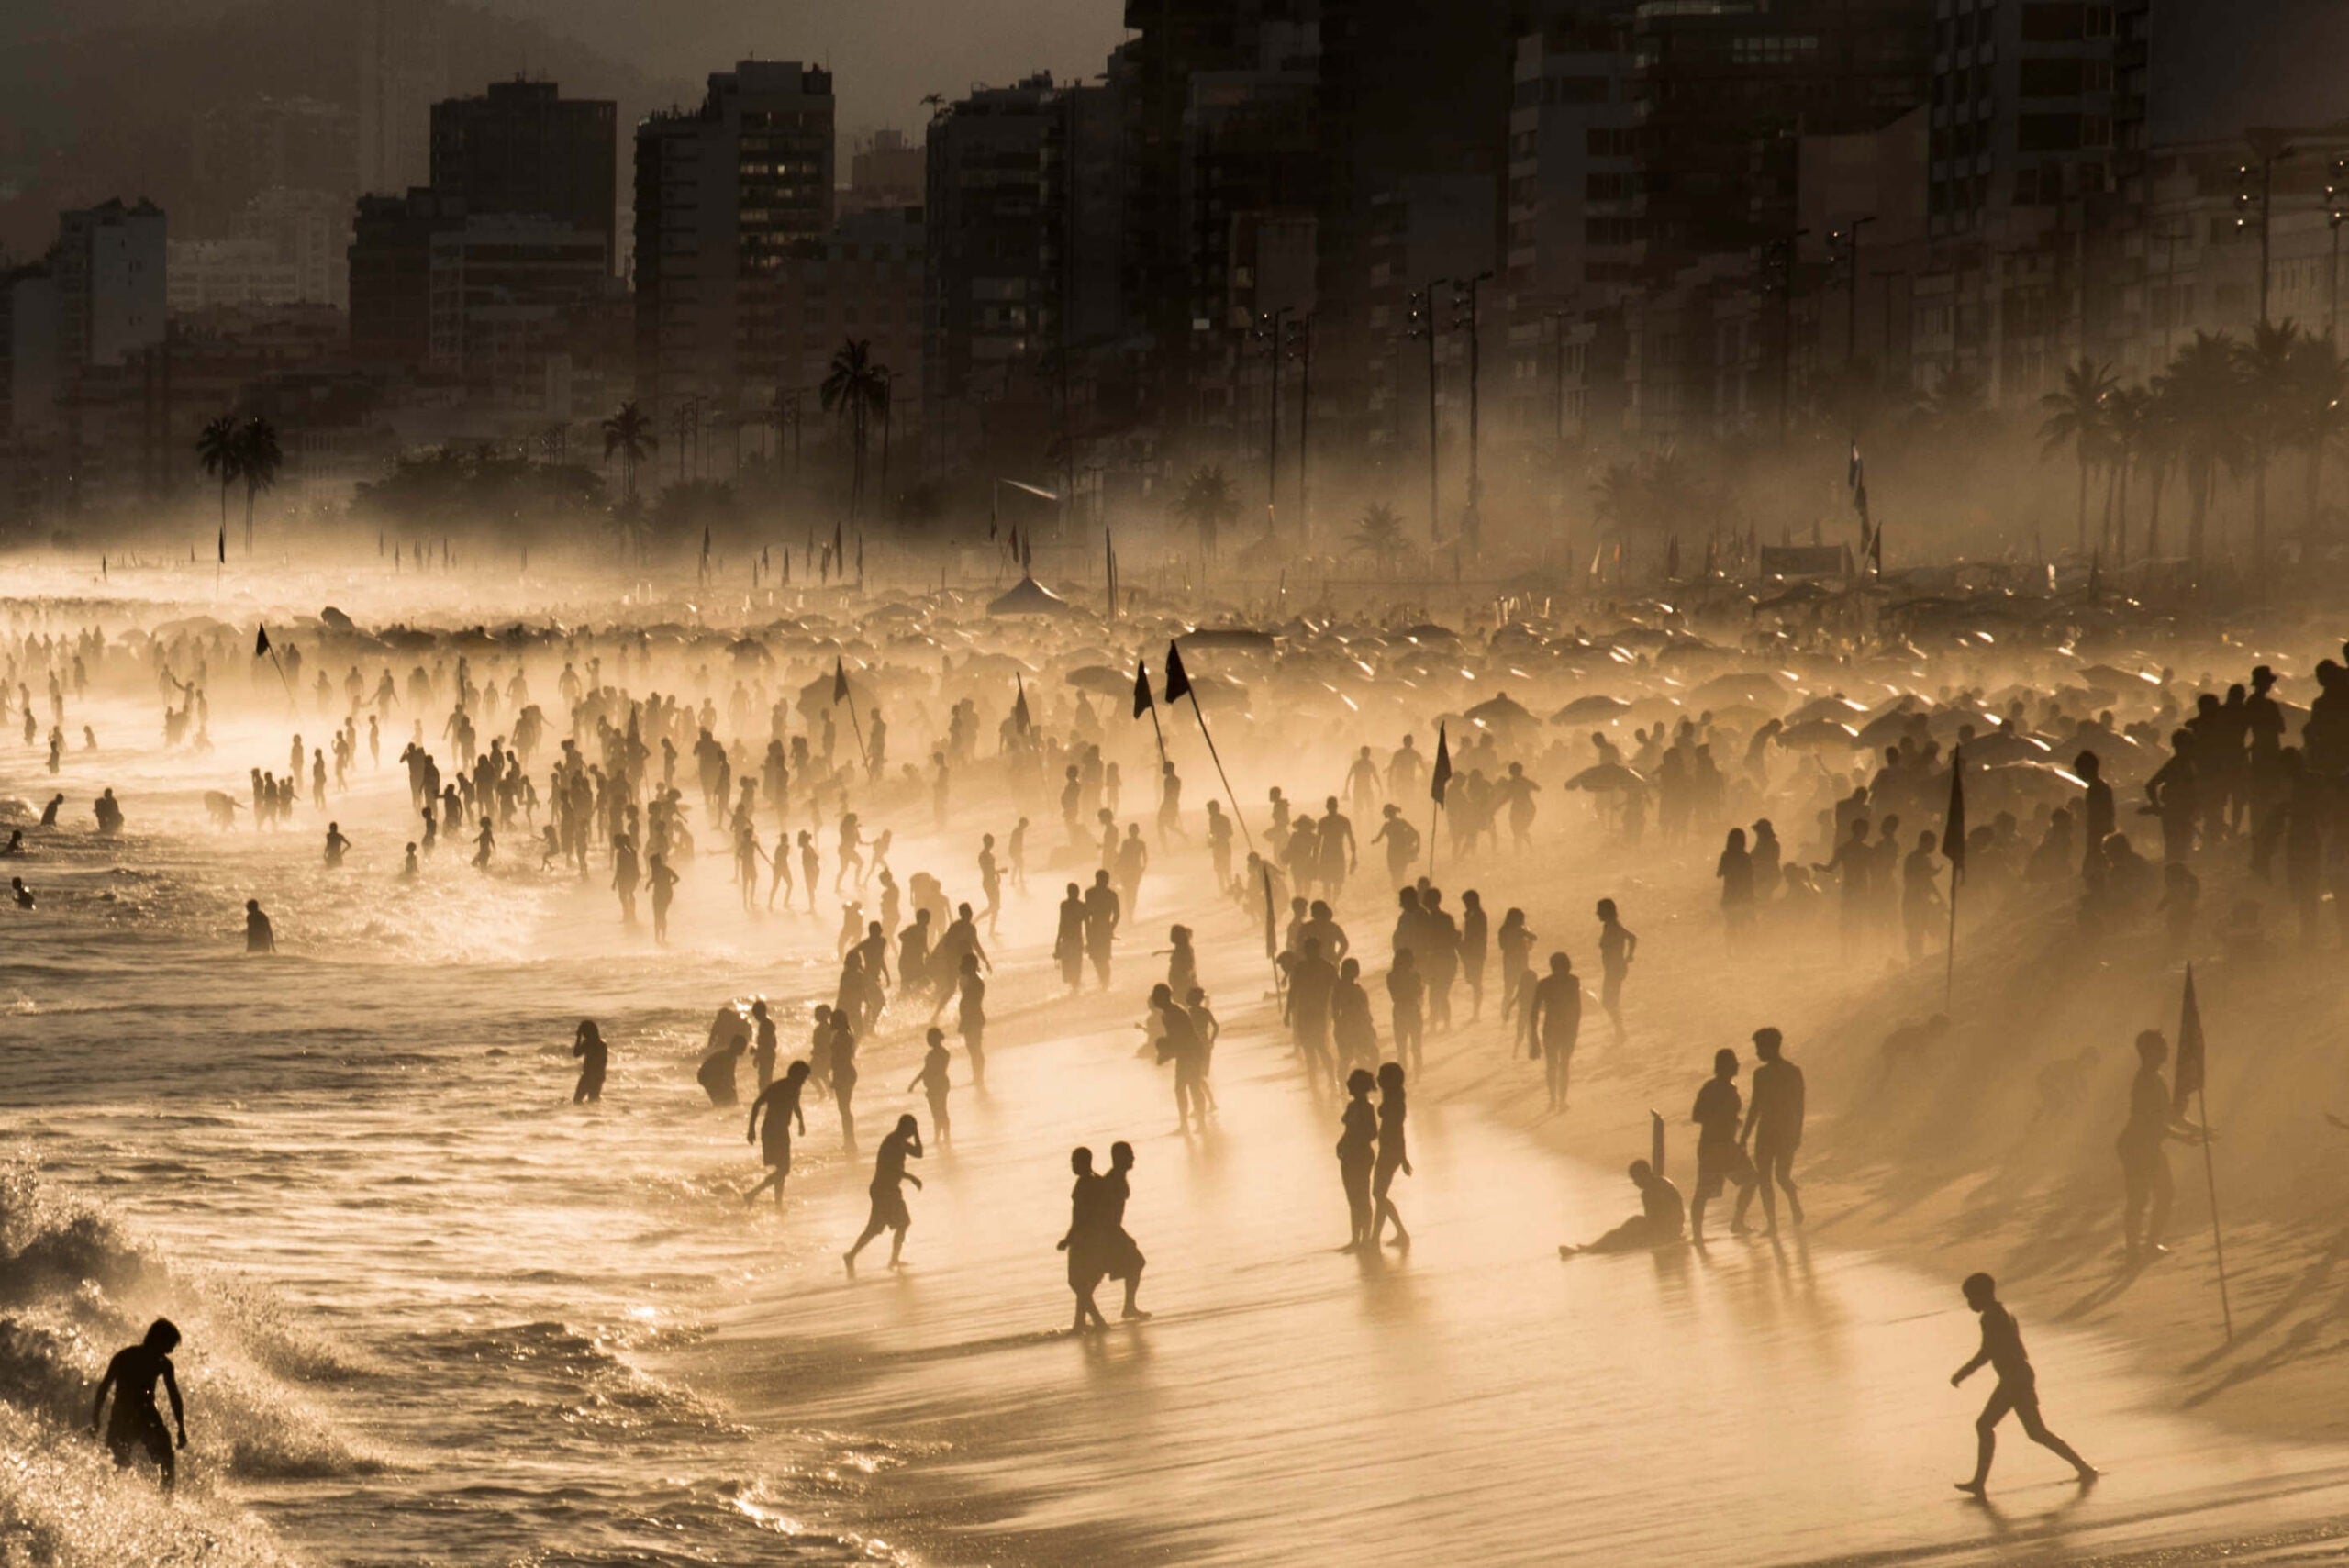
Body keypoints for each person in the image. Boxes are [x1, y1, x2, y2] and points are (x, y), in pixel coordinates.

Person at [1951, 1272, 2097, 1494]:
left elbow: (1987, 1352)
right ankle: (2084, 1467)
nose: (1969, 1302)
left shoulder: (1991, 1317)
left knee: (1984, 1425)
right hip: (2020, 1374)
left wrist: (1963, 1373)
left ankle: (1979, 1483)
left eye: (1970, 1297)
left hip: (2014, 1378)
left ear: (1981, 1295)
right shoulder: (2003, 1312)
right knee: (2036, 1432)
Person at [2118, 1028, 2202, 1262]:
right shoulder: (2146, 1080)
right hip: (2136, 1146)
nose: (2167, 1050)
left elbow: (2170, 1116)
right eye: (2162, 1046)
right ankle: (2134, 1250)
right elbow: (2153, 1122)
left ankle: (2149, 1245)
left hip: (2147, 1145)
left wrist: (2199, 1130)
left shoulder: (2156, 1077)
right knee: (2140, 1198)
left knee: (2164, 1194)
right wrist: (2185, 1137)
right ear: (2149, 1051)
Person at [1562, 1117, 1685, 1256]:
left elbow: (1654, 1221)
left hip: (1668, 1232)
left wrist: (1631, 1233)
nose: (1635, 1183)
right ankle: (1588, 1249)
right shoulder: (1660, 1183)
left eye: (1636, 1179)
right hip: (1671, 1228)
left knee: (1621, 1235)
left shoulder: (1652, 1191)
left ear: (1644, 1175)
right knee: (1621, 1231)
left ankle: (1586, 1251)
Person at [91, 1318, 186, 1491]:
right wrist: (95, 1417)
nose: (171, 1351)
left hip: (144, 1416)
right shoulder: (126, 1357)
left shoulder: (162, 1363)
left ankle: (165, 1502)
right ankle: (111, 1500)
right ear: (158, 1340)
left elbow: (174, 1396)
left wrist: (181, 1427)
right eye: (169, 1345)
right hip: (127, 1417)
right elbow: (104, 1387)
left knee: (166, 1459)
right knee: (119, 1464)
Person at [1731, 1028, 1805, 1233]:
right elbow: (1798, 1107)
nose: (1757, 1052)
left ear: (1772, 1046)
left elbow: (1756, 1108)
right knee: (1775, 1177)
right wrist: (1797, 1132)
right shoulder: (1788, 1072)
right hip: (1779, 1133)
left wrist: (1745, 1136)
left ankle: (1788, 1210)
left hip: (1772, 1133)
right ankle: (1775, 1221)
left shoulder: (1767, 1074)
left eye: (1760, 1047)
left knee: (1774, 1178)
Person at [843, 1113, 924, 1277]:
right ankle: (892, 1260)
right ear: (903, 1127)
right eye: (911, 1129)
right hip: (884, 1190)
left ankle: (851, 1256)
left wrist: (917, 1133)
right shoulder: (892, 1143)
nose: (911, 1133)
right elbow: (891, 1168)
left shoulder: (900, 1141)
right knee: (902, 1223)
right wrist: (911, 1178)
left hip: (886, 1190)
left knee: (875, 1229)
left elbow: (918, 1153)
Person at [1689, 1047, 1753, 1240]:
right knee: (1702, 1191)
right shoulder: (1712, 1088)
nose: (1737, 1065)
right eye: (1734, 1062)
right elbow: (1697, 1116)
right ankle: (1698, 1235)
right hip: (1713, 1146)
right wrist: (1722, 1118)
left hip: (1725, 1145)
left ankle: (1737, 1222)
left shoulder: (1728, 1087)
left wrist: (1731, 1120)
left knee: (1751, 1180)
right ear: (1724, 1066)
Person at [743, 1061, 810, 1208]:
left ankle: (777, 1205)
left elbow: (795, 1105)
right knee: (784, 1169)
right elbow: (757, 1104)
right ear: (796, 1075)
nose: (804, 1081)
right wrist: (751, 1129)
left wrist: (801, 1121)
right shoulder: (778, 1087)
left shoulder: (795, 1087)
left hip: (781, 1130)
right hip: (772, 1130)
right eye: (803, 1078)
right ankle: (753, 1194)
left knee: (782, 1169)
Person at [1059, 1148, 1111, 1332]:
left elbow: (1080, 1217)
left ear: (1084, 1162)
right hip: (1097, 1239)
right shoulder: (1098, 1181)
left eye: (1075, 1162)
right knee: (1084, 1284)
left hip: (1083, 1240)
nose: (1073, 1166)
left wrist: (1068, 1239)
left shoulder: (1083, 1184)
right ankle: (1080, 1322)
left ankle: (1098, 1321)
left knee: (1077, 1283)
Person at [1524, 952, 1583, 1112]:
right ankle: (1561, 1101)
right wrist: (1575, 1030)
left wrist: (1534, 1038)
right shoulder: (1573, 981)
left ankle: (1553, 1101)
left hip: (1551, 1029)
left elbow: (1533, 1012)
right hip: (1568, 1029)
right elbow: (1577, 1009)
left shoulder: (1544, 984)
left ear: (1552, 966)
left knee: (1552, 1065)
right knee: (1564, 1065)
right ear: (1567, 965)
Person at [1370, 1062, 1412, 1249]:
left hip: (1390, 1152)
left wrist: (1403, 1157)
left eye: (1381, 1076)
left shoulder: (1395, 1101)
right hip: (1389, 1150)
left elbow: (1398, 1130)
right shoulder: (1392, 1097)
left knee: (1378, 1194)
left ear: (1389, 1080)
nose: (1378, 1079)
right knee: (1380, 1194)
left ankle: (1401, 1233)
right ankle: (1375, 1239)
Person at [1336, 1069, 1378, 1251]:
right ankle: (1355, 1240)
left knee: (1362, 1197)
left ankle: (1365, 1240)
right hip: (1349, 1155)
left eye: (1352, 1084)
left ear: (1360, 1087)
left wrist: (1353, 1141)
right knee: (1353, 1198)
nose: (1348, 1086)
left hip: (1361, 1156)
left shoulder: (1367, 1107)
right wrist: (1342, 1143)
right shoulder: (1351, 1106)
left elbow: (1372, 1133)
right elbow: (1348, 1131)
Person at [1596, 898, 1636, 1042]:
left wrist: (1629, 956)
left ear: (1607, 911)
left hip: (1616, 969)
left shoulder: (1614, 926)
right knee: (1610, 1001)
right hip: (1611, 968)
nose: (1597, 913)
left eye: (1599, 911)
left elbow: (1632, 937)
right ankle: (1619, 1031)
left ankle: (1621, 1032)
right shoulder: (1607, 925)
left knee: (1608, 1001)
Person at [910, 1028, 953, 1143]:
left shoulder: (936, 1054)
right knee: (939, 1112)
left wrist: (914, 1083)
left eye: (929, 1038)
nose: (928, 1040)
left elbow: (927, 1071)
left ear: (935, 1039)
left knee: (939, 1112)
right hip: (939, 1085)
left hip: (937, 1086)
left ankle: (943, 1137)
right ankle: (941, 1137)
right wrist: (914, 1083)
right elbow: (928, 1070)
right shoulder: (943, 1053)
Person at [697, 1028, 747, 1107]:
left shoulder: (732, 1057)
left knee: (726, 1099)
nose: (744, 1050)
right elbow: (728, 1078)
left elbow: (731, 1078)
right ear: (735, 1046)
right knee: (722, 1101)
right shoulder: (728, 1057)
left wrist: (734, 1096)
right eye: (742, 1047)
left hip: (711, 1076)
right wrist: (734, 1097)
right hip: (706, 1076)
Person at [571, 1019, 608, 1104]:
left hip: (591, 1076)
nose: (584, 1035)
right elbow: (576, 1054)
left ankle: (589, 1115)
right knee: (591, 1100)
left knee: (579, 1101)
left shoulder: (595, 1044)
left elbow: (576, 1054)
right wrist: (578, 1038)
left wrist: (578, 1038)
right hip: (596, 1076)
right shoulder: (596, 1043)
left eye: (584, 1032)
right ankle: (590, 1115)